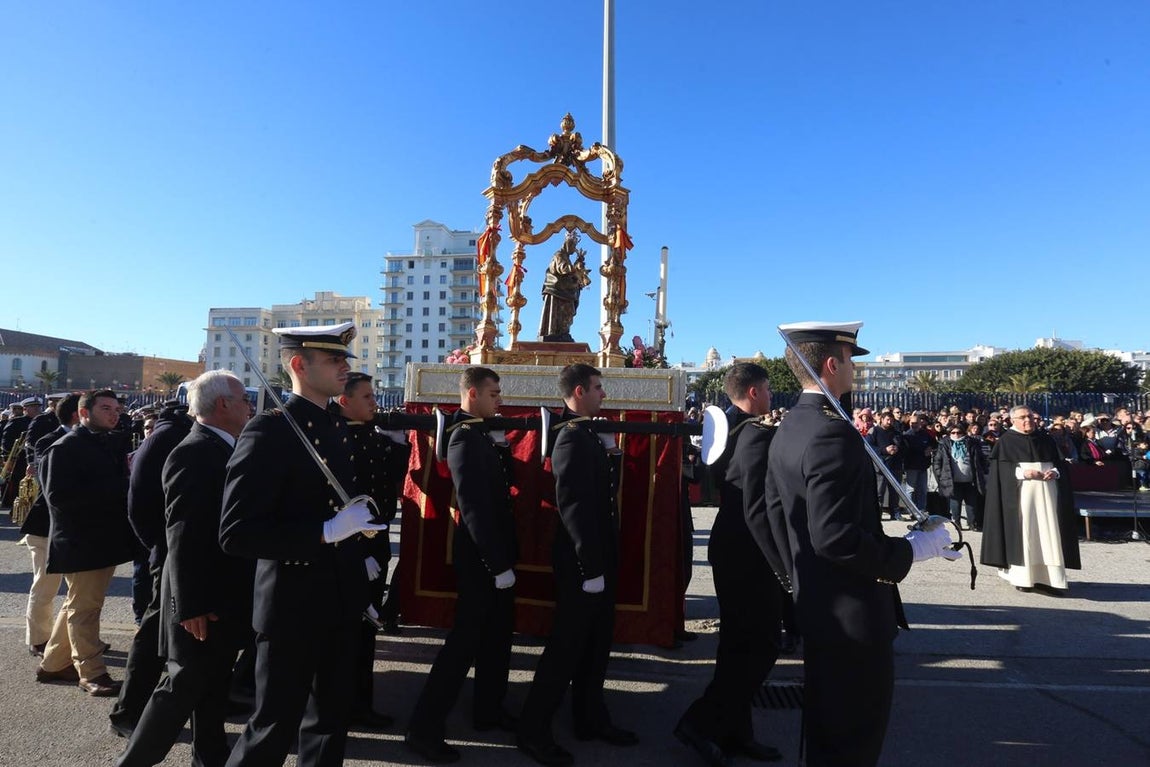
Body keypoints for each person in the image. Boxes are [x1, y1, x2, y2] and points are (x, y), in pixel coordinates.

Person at [749, 322, 959, 767]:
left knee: (829, 731)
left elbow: (771, 514)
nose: (855, 371)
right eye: (851, 360)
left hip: (820, 603)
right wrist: (911, 551)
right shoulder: (831, 432)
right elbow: (833, 535)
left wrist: (796, 580)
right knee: (852, 739)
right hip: (851, 612)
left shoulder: (791, 425)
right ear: (831, 363)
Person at [219, 322, 387, 767]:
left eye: (343, 360)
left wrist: (357, 570)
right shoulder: (268, 431)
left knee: (330, 723)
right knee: (273, 725)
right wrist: (326, 532)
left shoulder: (334, 426)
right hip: (292, 604)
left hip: (340, 599)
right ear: (298, 364)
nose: (344, 368)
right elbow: (237, 533)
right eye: (334, 360)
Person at [114, 371, 254, 767]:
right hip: (200, 601)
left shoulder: (222, 446)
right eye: (244, 399)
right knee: (181, 686)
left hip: (220, 594)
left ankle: (210, 758)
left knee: (213, 686)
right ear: (223, 404)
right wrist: (190, 604)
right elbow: (183, 533)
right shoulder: (194, 451)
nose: (250, 406)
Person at [518, 363, 637, 767]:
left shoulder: (588, 432)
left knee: (596, 645)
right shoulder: (570, 439)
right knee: (565, 649)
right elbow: (572, 507)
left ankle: (590, 718)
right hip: (582, 561)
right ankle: (533, 730)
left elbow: (601, 496)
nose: (604, 395)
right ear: (580, 391)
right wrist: (590, 568)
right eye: (599, 388)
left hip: (600, 556)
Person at [406, 367, 519, 764]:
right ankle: (423, 728)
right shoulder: (464, 440)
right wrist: (496, 562)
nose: (499, 399)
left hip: (497, 556)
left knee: (496, 638)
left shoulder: (481, 436)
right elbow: (473, 509)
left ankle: (488, 711)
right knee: (463, 646)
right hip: (482, 559)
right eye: (493, 393)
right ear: (471, 394)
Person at [675, 363, 783, 766]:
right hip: (748, 549)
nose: (771, 396)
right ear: (753, 392)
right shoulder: (754, 434)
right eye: (768, 390)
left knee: (739, 646)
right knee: (762, 644)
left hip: (732, 545)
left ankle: (736, 732)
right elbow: (756, 509)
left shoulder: (727, 427)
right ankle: (701, 723)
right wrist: (783, 567)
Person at [36, 389, 137, 696]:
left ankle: (53, 664)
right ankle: (91, 672)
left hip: (100, 541)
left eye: (116, 409)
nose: (114, 413)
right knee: (86, 609)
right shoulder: (65, 448)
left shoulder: (105, 442)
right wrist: (120, 486)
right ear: (83, 413)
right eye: (106, 408)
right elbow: (59, 498)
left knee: (77, 604)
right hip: (81, 543)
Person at [110, 399, 194, 738]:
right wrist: (159, 547)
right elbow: (140, 503)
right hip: (170, 554)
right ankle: (128, 712)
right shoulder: (169, 438)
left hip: (177, 553)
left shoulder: (175, 434)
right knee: (153, 634)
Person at [335, 372, 408, 731]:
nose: (375, 403)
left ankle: (360, 703)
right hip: (352, 550)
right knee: (350, 635)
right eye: (367, 397)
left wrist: (398, 444)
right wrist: (355, 551)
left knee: (367, 631)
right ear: (344, 401)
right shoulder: (336, 438)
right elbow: (335, 502)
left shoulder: (369, 435)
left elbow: (386, 480)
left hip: (375, 544)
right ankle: (346, 707)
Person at [981, 405, 1081, 595]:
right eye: (1023, 417)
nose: (1028, 420)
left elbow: (1059, 463)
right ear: (1013, 421)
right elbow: (1001, 473)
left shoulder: (1045, 439)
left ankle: (1051, 579)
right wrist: (1023, 472)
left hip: (1047, 494)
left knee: (1049, 532)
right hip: (1021, 496)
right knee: (1025, 534)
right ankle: (1023, 577)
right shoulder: (1006, 441)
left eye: (1030, 417)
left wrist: (1055, 472)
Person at [19, 393, 81, 657]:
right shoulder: (50, 440)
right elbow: (50, 483)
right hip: (45, 526)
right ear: (79, 414)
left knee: (78, 591)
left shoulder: (90, 440)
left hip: (71, 528)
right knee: (45, 585)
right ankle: (39, 639)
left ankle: (72, 639)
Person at [931, 423, 989, 531]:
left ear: (964, 433)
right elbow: (937, 461)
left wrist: (983, 473)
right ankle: (957, 524)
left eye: (959, 432)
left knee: (971, 504)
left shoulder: (972, 443)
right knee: (955, 504)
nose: (956, 434)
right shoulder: (944, 444)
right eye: (953, 432)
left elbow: (981, 459)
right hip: (953, 480)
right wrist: (940, 475)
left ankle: (972, 524)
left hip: (970, 479)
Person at [537, 230, 592, 343]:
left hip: (566, 291)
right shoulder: (559, 255)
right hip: (556, 290)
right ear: (567, 244)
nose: (573, 249)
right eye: (572, 246)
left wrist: (578, 263)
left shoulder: (566, 257)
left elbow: (571, 271)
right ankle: (554, 333)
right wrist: (575, 269)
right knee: (558, 313)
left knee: (568, 312)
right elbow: (562, 268)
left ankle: (563, 332)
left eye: (574, 246)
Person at [866, 411, 905, 520]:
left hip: (895, 466)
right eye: (887, 420)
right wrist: (884, 450)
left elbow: (904, 447)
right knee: (879, 493)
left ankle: (896, 513)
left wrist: (897, 449)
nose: (889, 422)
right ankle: (877, 514)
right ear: (881, 420)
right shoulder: (874, 431)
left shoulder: (896, 433)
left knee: (895, 491)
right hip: (881, 466)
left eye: (891, 420)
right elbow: (868, 447)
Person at [901, 413, 936, 511]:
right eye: (912, 423)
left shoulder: (925, 434)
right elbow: (907, 450)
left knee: (922, 490)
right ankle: (911, 510)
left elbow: (935, 444)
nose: (914, 425)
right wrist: (922, 451)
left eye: (916, 423)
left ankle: (921, 510)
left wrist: (930, 448)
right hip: (912, 466)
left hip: (923, 466)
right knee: (910, 489)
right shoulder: (907, 435)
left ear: (920, 423)